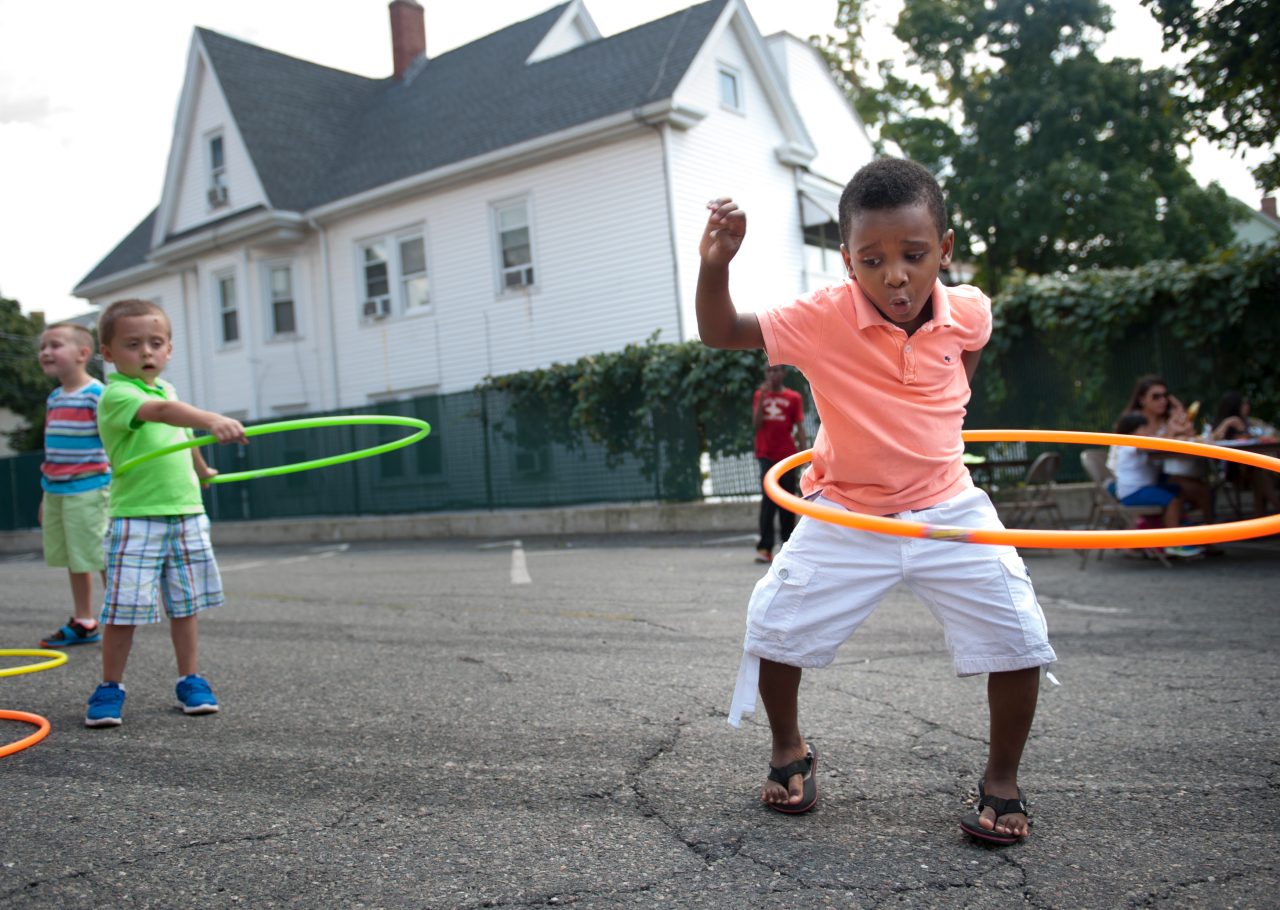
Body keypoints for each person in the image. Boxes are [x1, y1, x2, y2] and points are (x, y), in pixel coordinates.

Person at [697, 158, 1055, 845]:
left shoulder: (970, 309)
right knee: (773, 626)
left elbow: (964, 362)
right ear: (847, 262)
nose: (895, 275)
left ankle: (1002, 781)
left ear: (943, 251)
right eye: (872, 259)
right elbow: (720, 331)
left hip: (949, 507)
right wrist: (717, 264)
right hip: (848, 512)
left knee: (1019, 635)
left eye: (914, 256)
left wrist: (937, 404)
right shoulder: (819, 319)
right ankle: (787, 750)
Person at [84, 299, 247, 728]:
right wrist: (214, 418)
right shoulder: (117, 394)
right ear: (108, 352)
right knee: (124, 608)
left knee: (185, 604)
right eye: (133, 344)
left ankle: (190, 679)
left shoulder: (168, 390)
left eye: (156, 343)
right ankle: (109, 686)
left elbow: (181, 433)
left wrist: (202, 468)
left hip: (186, 512)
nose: (147, 353)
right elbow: (160, 415)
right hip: (138, 516)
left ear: (170, 350)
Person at [36, 323, 110, 647]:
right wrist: (45, 494)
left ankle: (119, 616)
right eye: (43, 347)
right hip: (57, 490)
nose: (46, 352)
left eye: (55, 345)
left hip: (89, 488)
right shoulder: (54, 397)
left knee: (99, 554)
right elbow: (54, 450)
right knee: (73, 557)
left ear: (83, 354)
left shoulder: (97, 395)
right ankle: (84, 620)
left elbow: (113, 444)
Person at [1106, 411, 1204, 558]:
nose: (1147, 432)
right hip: (1133, 492)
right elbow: (1148, 445)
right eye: (1144, 429)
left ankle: (1177, 527)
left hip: (1144, 488)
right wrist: (1171, 431)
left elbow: (1154, 443)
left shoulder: (1139, 442)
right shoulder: (1126, 444)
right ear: (1132, 431)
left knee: (1178, 490)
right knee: (1172, 500)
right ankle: (1173, 543)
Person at [1120, 375, 1213, 520]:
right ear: (1142, 399)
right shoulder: (1134, 423)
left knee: (1201, 490)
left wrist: (1180, 412)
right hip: (1131, 481)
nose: (1162, 400)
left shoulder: (1164, 420)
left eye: (1165, 396)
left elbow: (1187, 434)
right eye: (1156, 396)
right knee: (1177, 496)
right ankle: (1176, 537)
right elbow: (1150, 446)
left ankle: (1200, 535)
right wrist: (1172, 431)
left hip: (1154, 475)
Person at [752, 364, 807, 564]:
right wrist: (762, 399)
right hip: (766, 454)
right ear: (765, 374)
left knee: (787, 501)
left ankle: (787, 546)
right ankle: (764, 548)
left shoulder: (793, 398)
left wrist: (804, 456)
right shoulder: (760, 395)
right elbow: (756, 424)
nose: (773, 374)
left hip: (787, 455)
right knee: (768, 502)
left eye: (777, 370)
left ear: (783, 373)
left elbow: (800, 426)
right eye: (769, 371)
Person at [1211, 391, 1279, 516]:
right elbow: (1209, 442)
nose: (1247, 406)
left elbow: (1272, 433)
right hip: (1232, 470)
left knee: (1258, 474)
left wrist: (1243, 429)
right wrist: (1227, 423)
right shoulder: (1223, 424)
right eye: (1243, 404)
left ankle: (1260, 524)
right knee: (1258, 474)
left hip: (1254, 467)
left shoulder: (1252, 422)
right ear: (1235, 407)